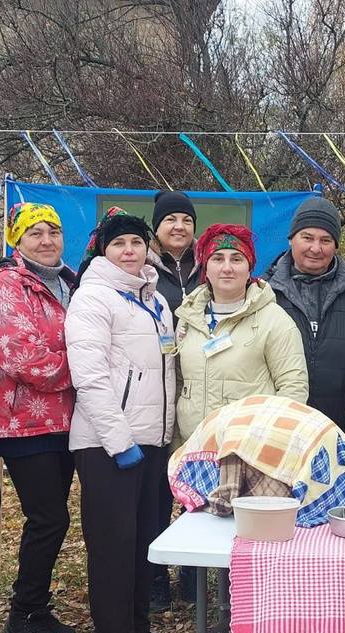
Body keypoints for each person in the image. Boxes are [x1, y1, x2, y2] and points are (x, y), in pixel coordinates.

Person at [67, 207, 177, 633]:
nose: (129, 251)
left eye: (136, 242)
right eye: (118, 244)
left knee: (142, 539)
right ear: (102, 251)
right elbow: (89, 377)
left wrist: (164, 435)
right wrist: (118, 441)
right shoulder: (93, 298)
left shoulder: (155, 299)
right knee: (113, 542)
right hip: (107, 443)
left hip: (151, 438)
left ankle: (137, 627)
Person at [0, 202, 79, 633]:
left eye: (53, 231)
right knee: (48, 518)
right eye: (34, 233)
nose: (46, 240)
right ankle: (22, 616)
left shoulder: (70, 281)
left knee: (53, 518)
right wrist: (89, 370)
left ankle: (37, 608)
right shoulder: (8, 285)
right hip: (24, 422)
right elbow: (20, 356)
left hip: (66, 420)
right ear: (16, 240)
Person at [175, 223, 308, 440]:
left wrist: (270, 443)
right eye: (218, 259)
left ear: (249, 270)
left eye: (236, 259)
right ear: (206, 269)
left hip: (249, 449)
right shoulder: (187, 318)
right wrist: (177, 447)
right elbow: (179, 385)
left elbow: (293, 388)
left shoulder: (274, 320)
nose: (227, 268)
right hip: (194, 448)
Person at [265, 196, 345, 434]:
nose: (316, 248)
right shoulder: (263, 292)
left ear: (335, 245)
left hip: (342, 430)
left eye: (326, 240)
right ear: (291, 239)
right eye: (307, 238)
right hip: (279, 429)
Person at [150, 190, 199, 610]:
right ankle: (154, 579)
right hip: (156, 391)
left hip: (199, 391)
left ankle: (192, 575)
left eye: (186, 219)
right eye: (170, 220)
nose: (179, 227)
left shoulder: (209, 266)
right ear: (157, 228)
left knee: (195, 489)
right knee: (155, 494)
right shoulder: (143, 268)